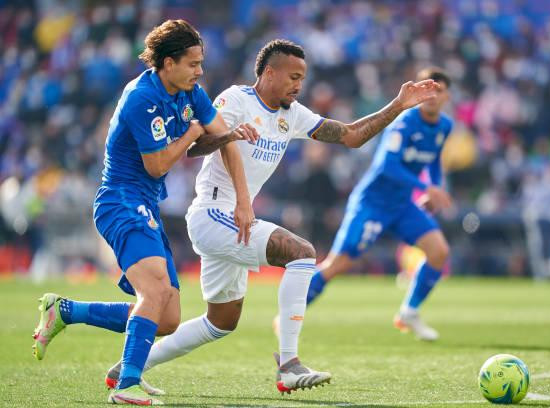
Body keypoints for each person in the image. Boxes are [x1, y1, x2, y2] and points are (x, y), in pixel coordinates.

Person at [102, 39, 440, 397]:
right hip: (213, 212)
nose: (299, 85)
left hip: (232, 220)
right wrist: (229, 137)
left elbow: (351, 135)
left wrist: (398, 105)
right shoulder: (236, 99)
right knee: (302, 253)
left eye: (302, 78)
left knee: (221, 322)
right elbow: (195, 147)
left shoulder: (292, 114)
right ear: (269, 73)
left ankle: (131, 365)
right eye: (293, 77)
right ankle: (290, 365)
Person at [31, 19, 257, 405]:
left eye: (201, 63)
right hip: (120, 200)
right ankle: (127, 384)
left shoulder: (191, 91)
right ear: (168, 63)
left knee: (167, 319)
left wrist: (243, 198)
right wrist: (192, 133)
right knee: (154, 291)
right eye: (193, 64)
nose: (200, 71)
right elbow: (157, 165)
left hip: (145, 204)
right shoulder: (141, 98)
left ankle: (64, 311)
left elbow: (223, 137)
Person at [302, 67, 454, 341]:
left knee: (439, 251)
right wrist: (425, 187)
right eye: (427, 90)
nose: (432, 96)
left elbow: (433, 161)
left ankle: (409, 312)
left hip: (401, 205)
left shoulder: (444, 126)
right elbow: (387, 165)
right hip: (373, 203)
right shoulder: (404, 123)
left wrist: (434, 188)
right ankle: (291, 311)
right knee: (337, 264)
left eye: (438, 91)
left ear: (447, 96)